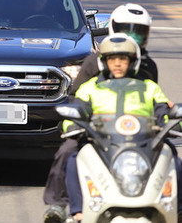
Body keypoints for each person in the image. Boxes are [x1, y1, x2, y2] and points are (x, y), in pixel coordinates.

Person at [43, 3, 158, 223]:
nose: (131, 38)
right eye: (127, 31)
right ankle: (58, 204)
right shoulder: (93, 62)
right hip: (97, 130)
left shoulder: (149, 66)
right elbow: (77, 98)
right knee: (68, 151)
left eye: (138, 32)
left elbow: (154, 100)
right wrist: (77, 124)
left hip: (136, 132)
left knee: (168, 155)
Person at [62, 34, 178, 223]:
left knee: (172, 157)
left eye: (122, 59)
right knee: (74, 159)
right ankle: (78, 211)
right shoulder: (89, 89)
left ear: (132, 62)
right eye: (112, 59)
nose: (117, 64)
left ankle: (177, 208)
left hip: (145, 144)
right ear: (103, 63)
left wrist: (172, 122)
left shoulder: (149, 88)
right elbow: (76, 112)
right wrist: (73, 125)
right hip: (101, 144)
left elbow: (163, 112)